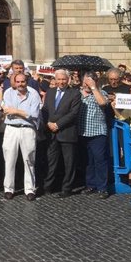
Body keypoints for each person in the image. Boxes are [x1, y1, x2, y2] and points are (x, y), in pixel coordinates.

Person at [42, 69, 82, 198]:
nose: (61, 82)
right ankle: (48, 186)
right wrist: (48, 123)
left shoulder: (75, 93)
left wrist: (58, 125)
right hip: (51, 133)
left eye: (63, 79)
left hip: (67, 132)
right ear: (55, 79)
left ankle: (67, 188)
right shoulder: (50, 92)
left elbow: (73, 113)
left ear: (68, 79)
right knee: (51, 161)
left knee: (69, 162)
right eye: (59, 79)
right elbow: (45, 110)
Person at [1, 73, 41, 201]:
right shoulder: (8, 93)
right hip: (11, 129)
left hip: (27, 130)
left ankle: (29, 189)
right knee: (9, 159)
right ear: (14, 82)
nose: (20, 84)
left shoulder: (34, 94)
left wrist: (16, 111)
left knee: (29, 160)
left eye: (22, 82)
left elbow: (34, 113)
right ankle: (8, 188)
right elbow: (7, 111)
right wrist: (24, 113)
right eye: (17, 82)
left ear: (26, 81)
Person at [78, 72, 110, 199]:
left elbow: (102, 103)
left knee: (100, 160)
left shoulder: (101, 92)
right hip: (82, 132)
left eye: (90, 82)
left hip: (97, 132)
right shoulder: (78, 94)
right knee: (88, 161)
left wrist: (93, 88)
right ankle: (90, 184)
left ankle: (102, 188)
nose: (87, 84)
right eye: (85, 82)